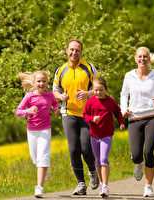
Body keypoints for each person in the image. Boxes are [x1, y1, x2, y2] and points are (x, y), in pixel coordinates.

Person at [120, 47, 154, 197]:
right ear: (135, 59)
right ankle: (138, 163)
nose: (142, 59)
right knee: (137, 154)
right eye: (139, 56)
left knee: (149, 151)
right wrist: (124, 109)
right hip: (135, 118)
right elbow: (124, 94)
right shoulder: (129, 76)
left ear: (149, 59)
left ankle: (148, 186)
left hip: (153, 117)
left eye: (145, 56)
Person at [53, 39, 100, 195]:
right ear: (67, 50)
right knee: (73, 149)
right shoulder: (60, 70)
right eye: (71, 49)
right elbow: (55, 91)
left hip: (88, 114)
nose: (74, 53)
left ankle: (92, 171)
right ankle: (81, 184)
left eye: (77, 50)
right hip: (69, 113)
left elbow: (100, 88)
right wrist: (61, 97)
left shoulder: (89, 68)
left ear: (81, 52)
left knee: (86, 148)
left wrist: (87, 94)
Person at [15, 71, 59, 198]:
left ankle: (39, 187)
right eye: (38, 81)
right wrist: (29, 111)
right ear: (34, 83)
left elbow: (55, 103)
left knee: (43, 156)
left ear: (47, 82)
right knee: (35, 158)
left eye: (44, 81)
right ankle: (45, 170)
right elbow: (18, 111)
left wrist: (55, 109)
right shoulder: (29, 96)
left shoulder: (50, 95)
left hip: (45, 129)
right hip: (32, 130)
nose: (41, 83)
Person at [83, 77, 125, 198]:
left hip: (107, 135)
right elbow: (85, 115)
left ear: (106, 89)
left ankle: (105, 185)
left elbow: (117, 112)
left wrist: (121, 122)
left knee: (104, 159)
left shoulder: (111, 101)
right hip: (94, 135)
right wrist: (92, 119)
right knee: (97, 161)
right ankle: (101, 183)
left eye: (100, 90)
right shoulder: (90, 101)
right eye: (95, 90)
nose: (98, 92)